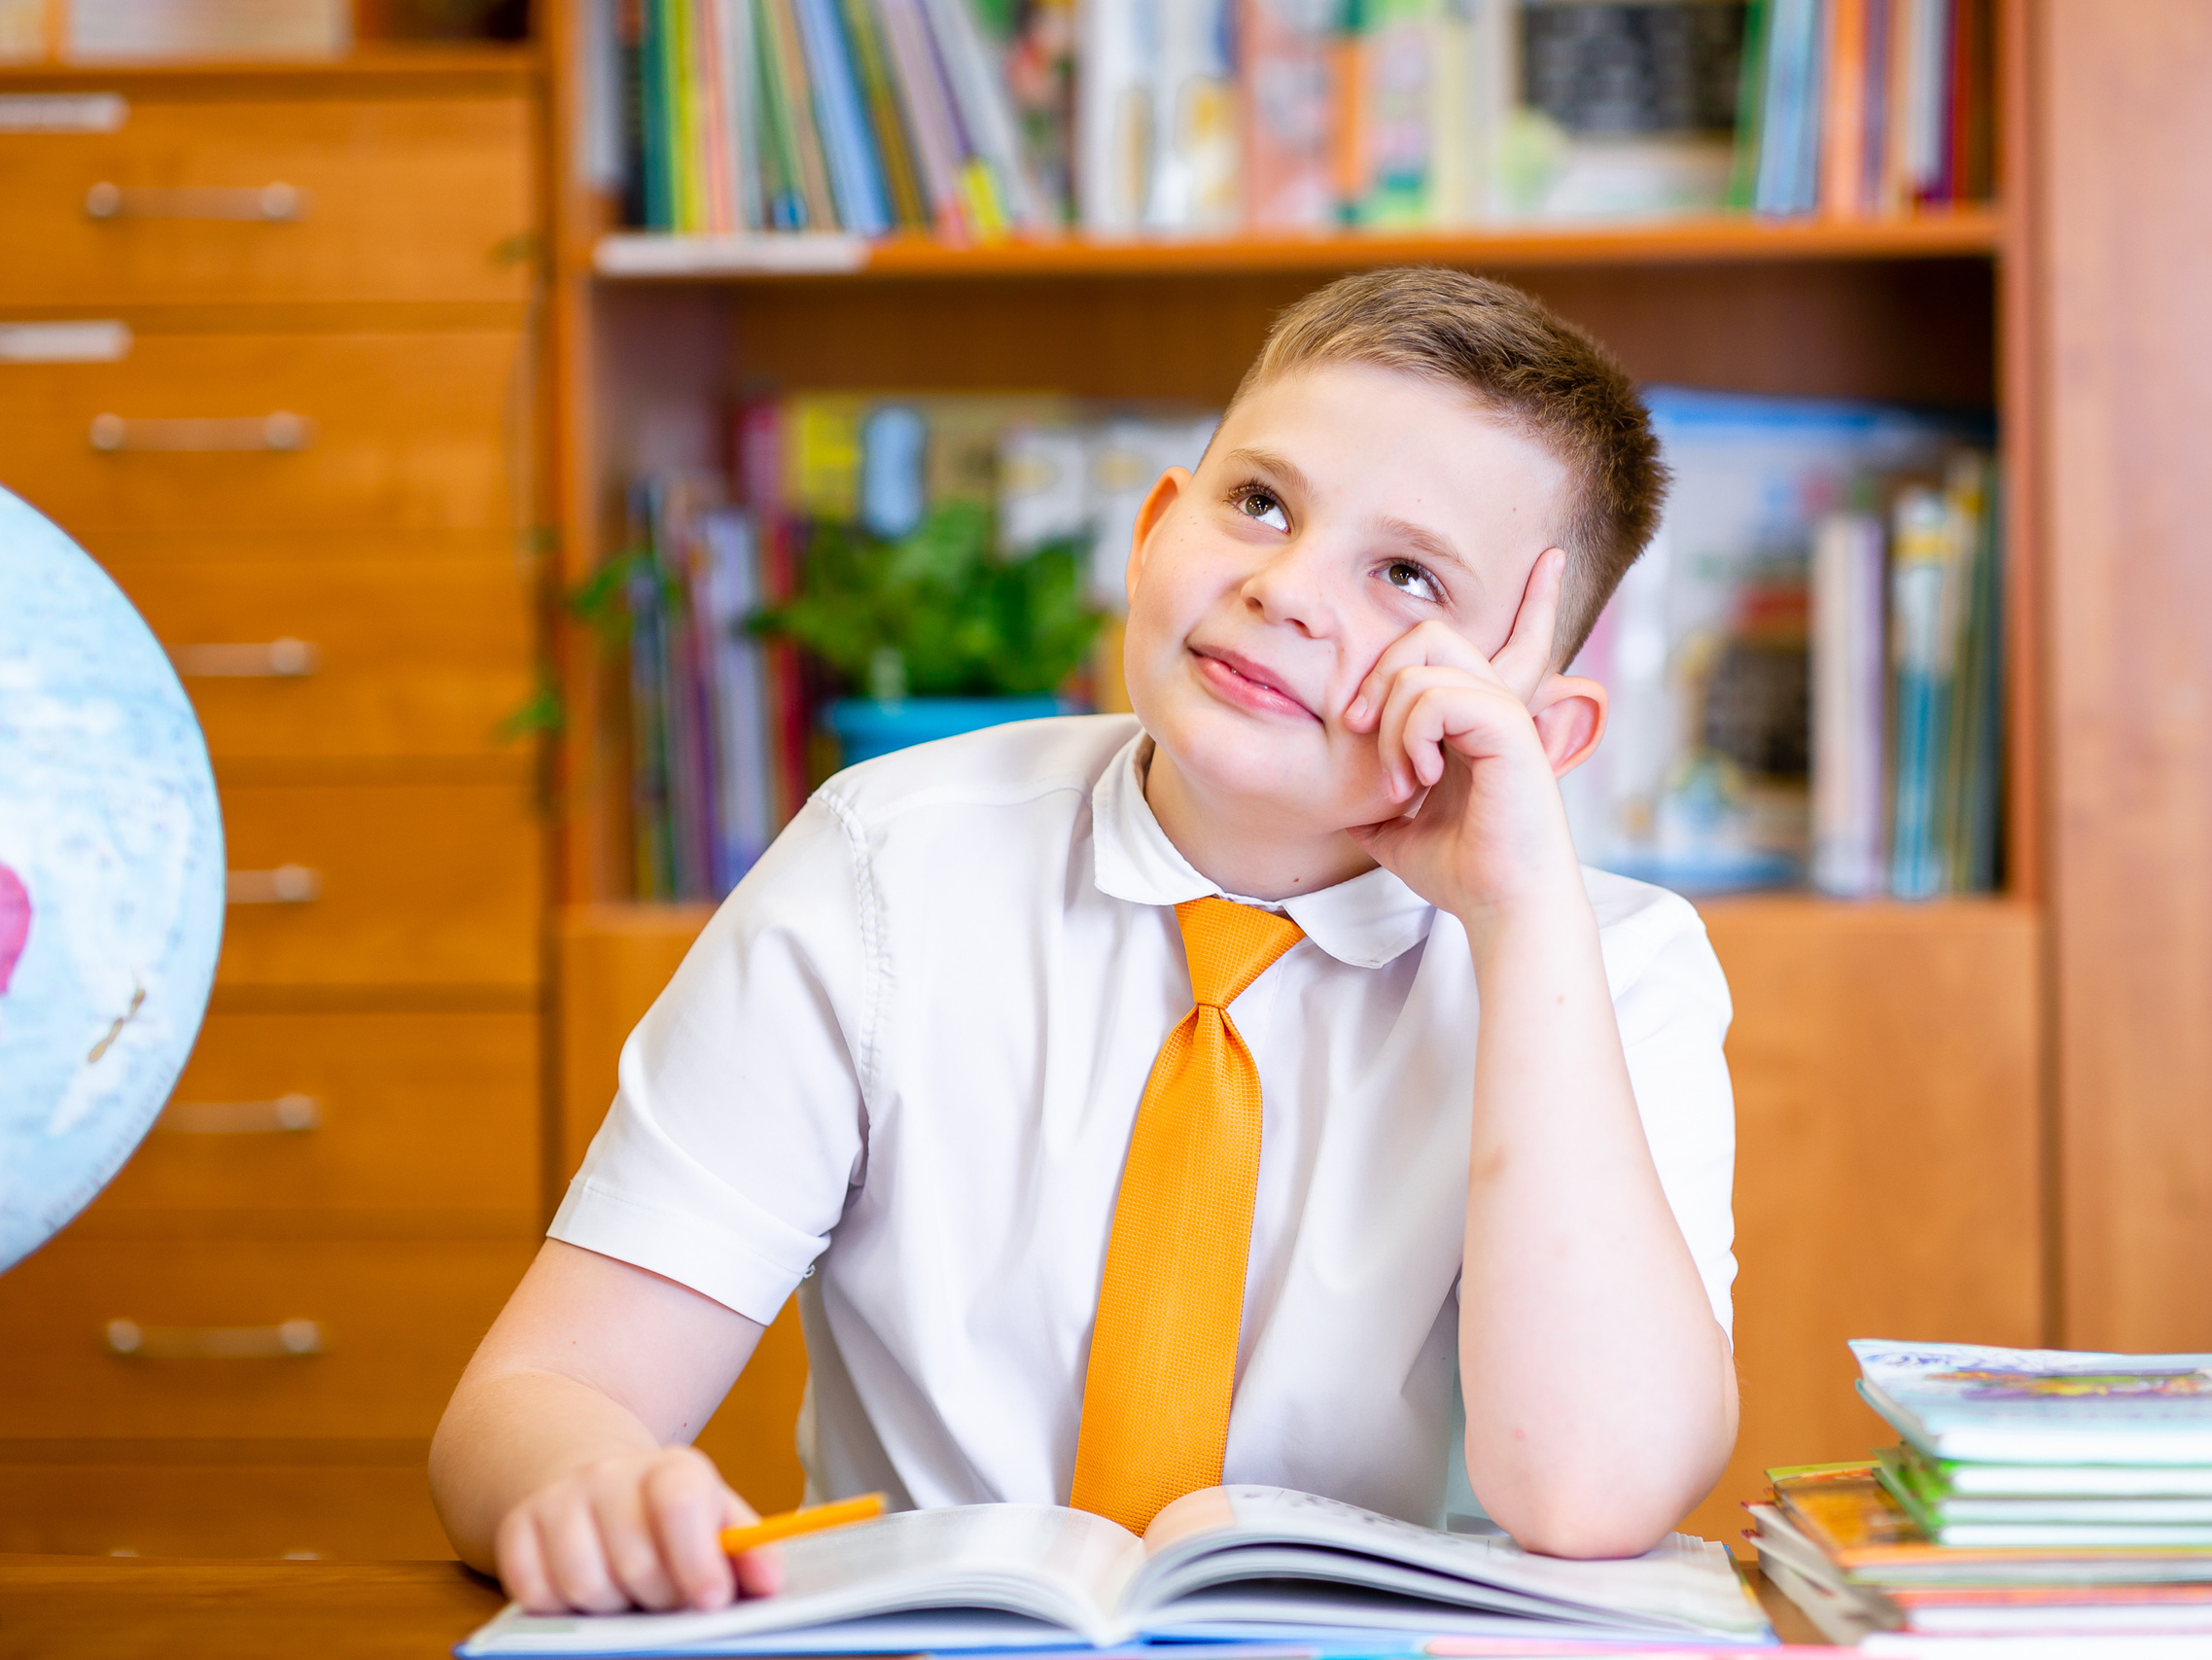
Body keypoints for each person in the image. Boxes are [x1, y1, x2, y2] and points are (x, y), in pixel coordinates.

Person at [429, 267, 1738, 1616]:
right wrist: (586, 1485)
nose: (1287, 586)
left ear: (1542, 723)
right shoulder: (886, 865)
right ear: (1156, 529)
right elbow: (538, 1399)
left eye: (1407, 575)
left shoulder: (1613, 972)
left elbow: (1594, 1494)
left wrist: (1522, 917)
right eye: (1260, 502)